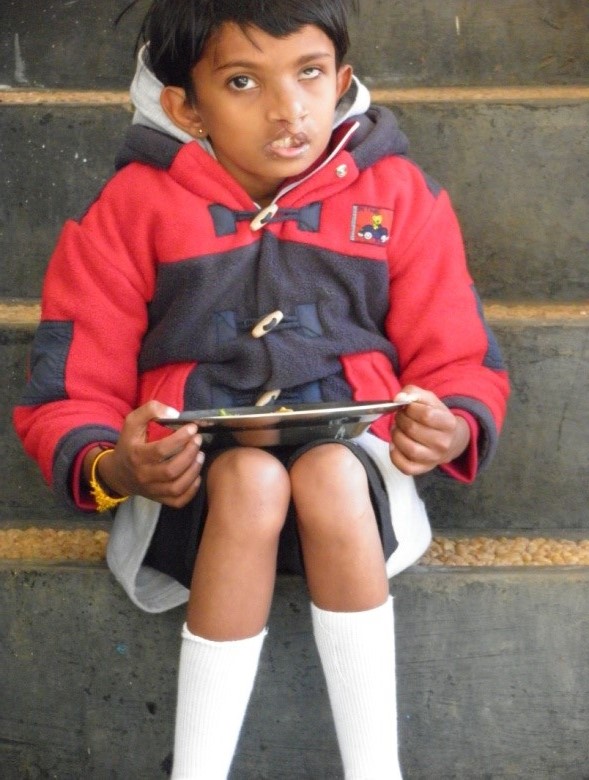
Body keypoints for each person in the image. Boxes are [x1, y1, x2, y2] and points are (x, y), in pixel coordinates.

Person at [13, 0, 510, 777]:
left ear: (341, 80)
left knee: (330, 471)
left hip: (356, 489)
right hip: (196, 498)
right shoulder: (128, 211)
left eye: (309, 74)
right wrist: (116, 465)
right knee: (247, 477)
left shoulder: (397, 195)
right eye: (242, 81)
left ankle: (376, 770)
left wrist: (449, 425)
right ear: (185, 105)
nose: (288, 109)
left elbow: (459, 353)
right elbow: (67, 388)